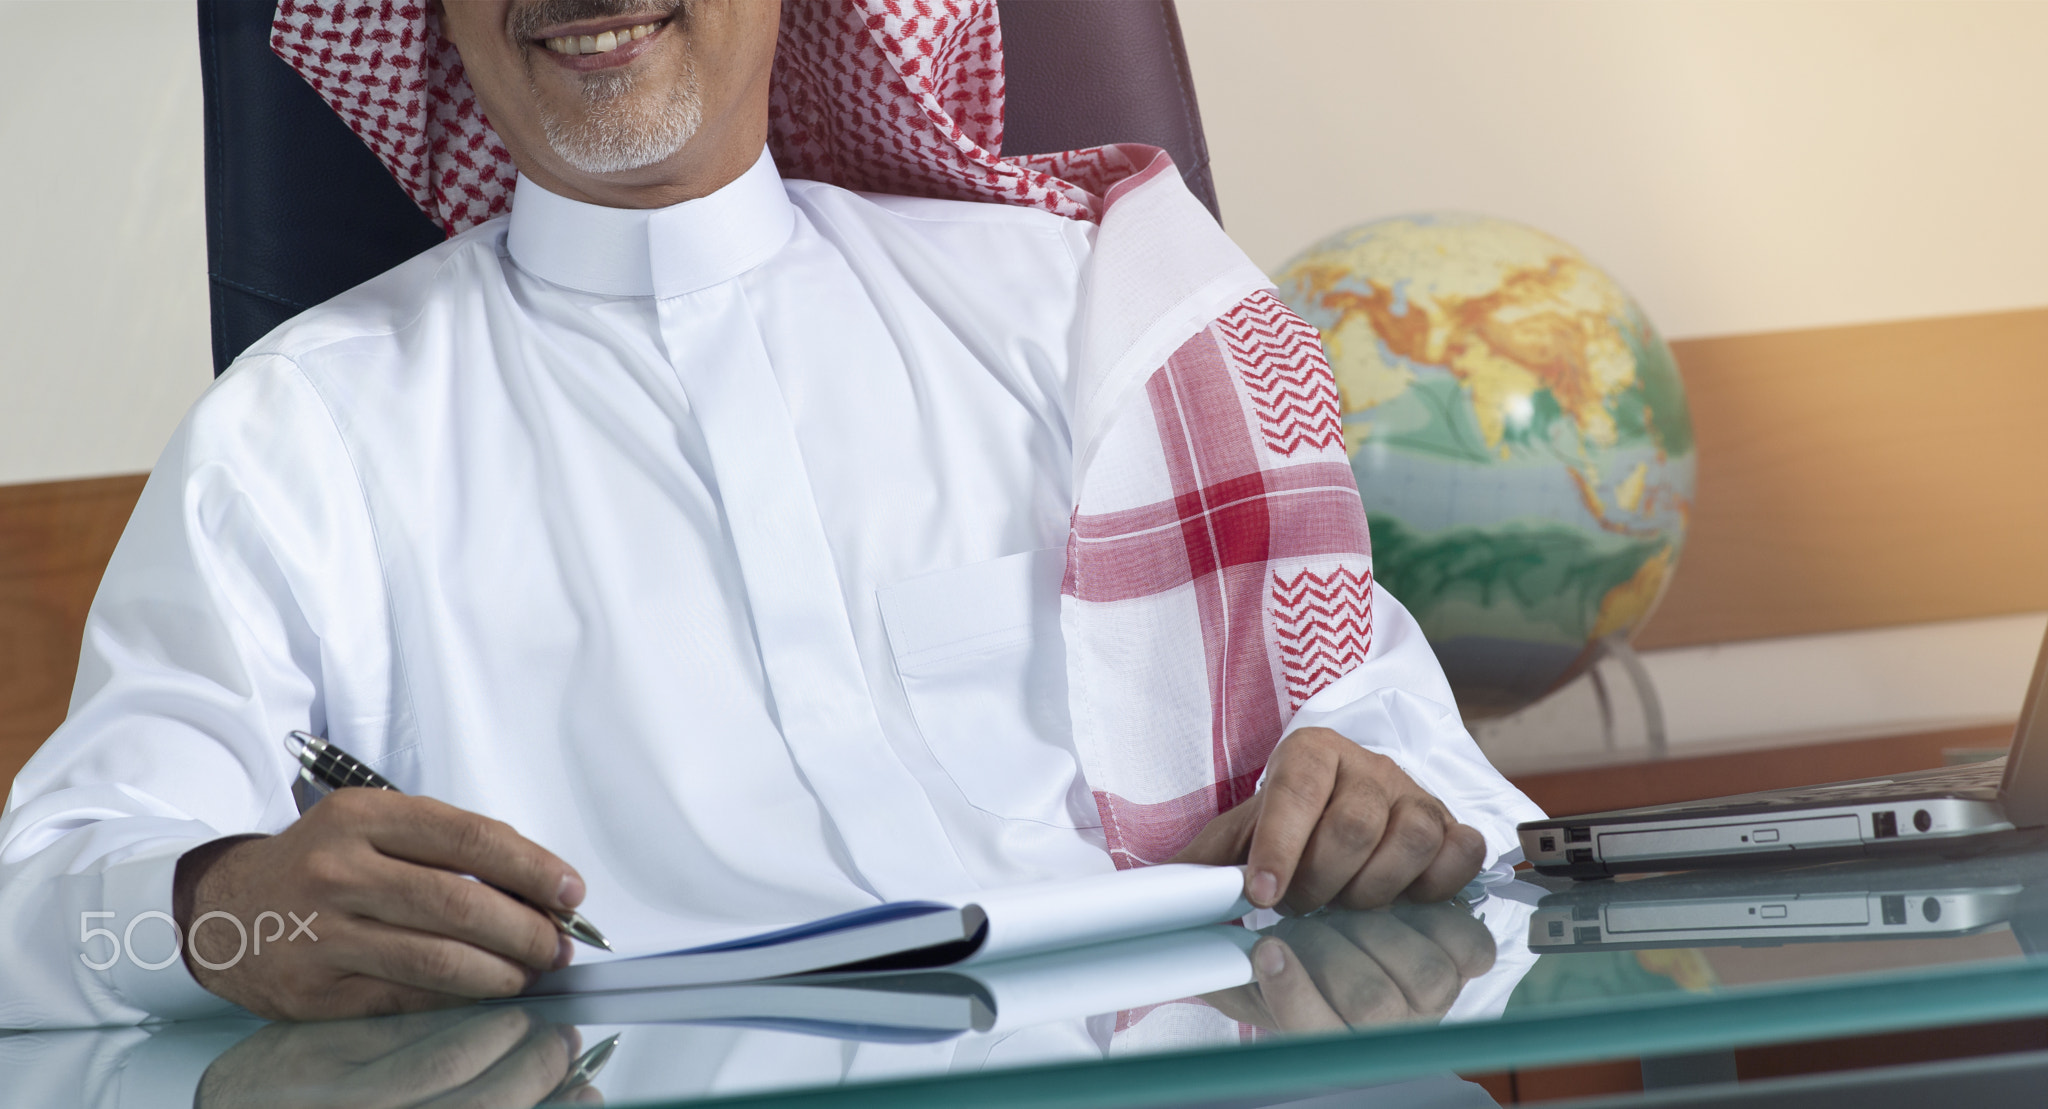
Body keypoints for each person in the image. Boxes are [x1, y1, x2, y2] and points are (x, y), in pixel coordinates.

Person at [0, 0, 1542, 1027]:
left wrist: (1384, 811)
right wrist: (228, 919)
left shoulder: (1086, 317)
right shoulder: (304, 434)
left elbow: (1454, 796)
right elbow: (45, 925)